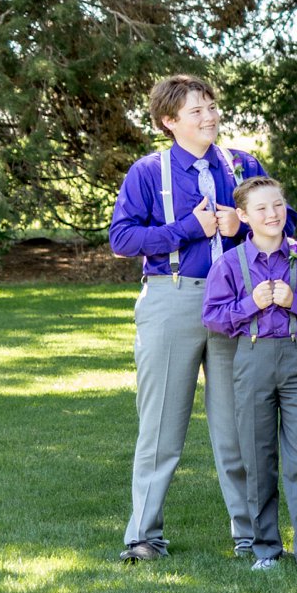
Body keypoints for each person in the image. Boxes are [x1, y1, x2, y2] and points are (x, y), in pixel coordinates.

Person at [106, 72, 270, 561]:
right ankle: (143, 536)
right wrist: (184, 229)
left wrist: (244, 222)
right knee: (160, 424)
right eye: (196, 111)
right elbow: (122, 239)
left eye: (212, 106)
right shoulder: (148, 172)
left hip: (237, 302)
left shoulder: (242, 165)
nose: (209, 116)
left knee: (237, 424)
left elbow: (284, 220)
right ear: (169, 121)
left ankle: (252, 536)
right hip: (172, 298)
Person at [201, 176, 297, 575]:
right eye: (262, 208)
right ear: (244, 216)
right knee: (257, 456)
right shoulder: (229, 264)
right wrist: (250, 304)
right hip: (251, 360)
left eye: (278, 205)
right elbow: (212, 316)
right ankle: (265, 548)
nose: (272, 214)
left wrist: (293, 300)